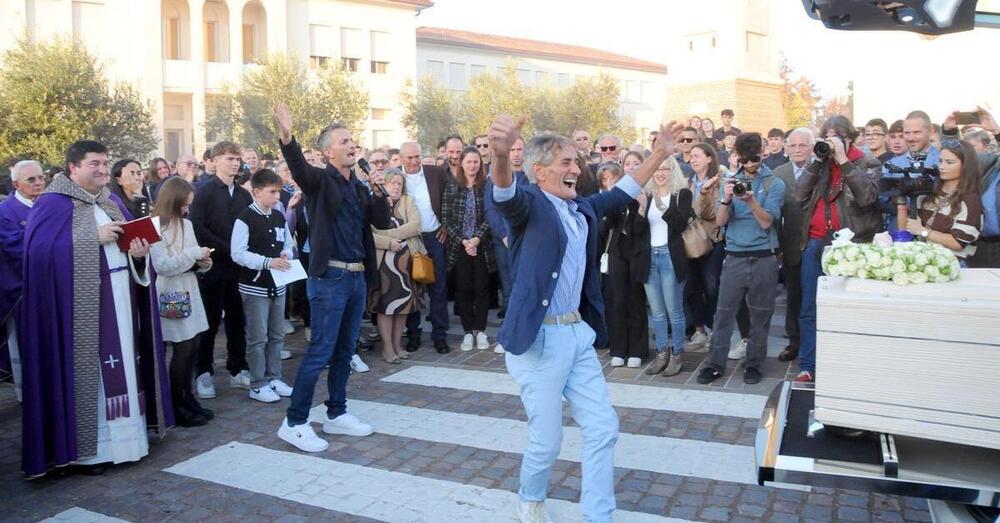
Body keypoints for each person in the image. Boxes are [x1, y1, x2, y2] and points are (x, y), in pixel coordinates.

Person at [488, 113, 682, 523]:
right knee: (547, 441)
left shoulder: (582, 208)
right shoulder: (530, 205)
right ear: (539, 171)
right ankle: (531, 496)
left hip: (576, 333)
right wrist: (501, 154)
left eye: (577, 162)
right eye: (566, 163)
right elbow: (504, 193)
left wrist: (660, 153)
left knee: (603, 428)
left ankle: (599, 515)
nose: (576, 169)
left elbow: (626, 190)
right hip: (537, 342)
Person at [20, 140, 173, 478]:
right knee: (96, 378)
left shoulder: (111, 200)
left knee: (125, 371)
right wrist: (91, 236)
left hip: (121, 298)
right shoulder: (52, 204)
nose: (103, 170)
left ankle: (130, 443)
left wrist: (138, 254)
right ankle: (91, 452)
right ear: (73, 168)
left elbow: (130, 246)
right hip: (81, 312)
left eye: (106, 163)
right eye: (95, 164)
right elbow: (40, 254)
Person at [272, 103, 391, 452]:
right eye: (344, 141)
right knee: (320, 351)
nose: (352, 145)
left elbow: (381, 222)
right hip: (330, 279)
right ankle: (294, 422)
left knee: (344, 350)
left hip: (355, 278)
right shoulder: (320, 181)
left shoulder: (359, 186)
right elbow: (298, 167)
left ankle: (336, 412)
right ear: (328, 152)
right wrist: (288, 136)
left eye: (353, 139)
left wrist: (379, 188)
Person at [795, 116, 881, 383]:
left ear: (850, 138)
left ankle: (846, 364)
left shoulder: (868, 163)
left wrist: (844, 161)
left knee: (846, 308)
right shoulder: (820, 162)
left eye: (837, 137)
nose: (831, 143)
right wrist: (817, 161)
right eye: (827, 137)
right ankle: (808, 365)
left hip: (850, 246)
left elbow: (867, 198)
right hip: (815, 241)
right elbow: (799, 195)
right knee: (809, 306)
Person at [696, 132, 785, 386]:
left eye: (754, 159)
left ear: (763, 153)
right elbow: (721, 222)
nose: (749, 165)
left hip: (763, 258)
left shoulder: (773, 184)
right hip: (734, 257)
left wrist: (752, 200)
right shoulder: (732, 180)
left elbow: (767, 222)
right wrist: (726, 198)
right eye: (744, 160)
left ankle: (754, 363)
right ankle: (715, 364)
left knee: (761, 315)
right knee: (723, 314)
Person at [189, 141, 254, 400]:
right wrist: (227, 249)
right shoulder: (203, 192)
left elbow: (251, 224)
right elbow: (197, 227)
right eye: (229, 158)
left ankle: (238, 368)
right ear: (214, 161)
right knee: (210, 321)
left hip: (239, 269)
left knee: (238, 320)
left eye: (237, 158)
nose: (235, 163)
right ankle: (203, 372)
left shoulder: (243, 195)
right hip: (213, 266)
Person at [149, 177, 214, 427]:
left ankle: (188, 398)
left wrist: (205, 263)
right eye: (184, 205)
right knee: (182, 348)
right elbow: (162, 266)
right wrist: (193, 255)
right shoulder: (156, 227)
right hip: (171, 291)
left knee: (194, 344)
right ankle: (176, 404)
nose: (187, 209)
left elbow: (193, 257)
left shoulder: (186, 225)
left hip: (189, 286)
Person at [230, 168, 297, 404]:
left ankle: (274, 376)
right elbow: (238, 254)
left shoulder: (278, 216)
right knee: (258, 338)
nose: (277, 197)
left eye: (279, 192)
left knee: (277, 334)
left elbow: (288, 242)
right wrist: (268, 262)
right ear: (257, 192)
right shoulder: (244, 218)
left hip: (278, 285)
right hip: (255, 287)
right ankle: (257, 383)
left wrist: (286, 254)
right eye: (272, 192)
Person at [637, 155, 691, 377]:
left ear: (673, 171)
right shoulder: (647, 195)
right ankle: (661, 353)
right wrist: (641, 209)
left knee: (673, 311)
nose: (660, 173)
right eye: (657, 169)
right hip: (650, 256)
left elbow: (679, 225)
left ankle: (677, 354)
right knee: (657, 313)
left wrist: (661, 205)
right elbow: (638, 230)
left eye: (665, 169)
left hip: (670, 256)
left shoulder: (682, 194)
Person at [398, 141, 453, 354]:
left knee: (438, 287)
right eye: (409, 157)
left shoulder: (435, 173)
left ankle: (440, 336)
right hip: (410, 239)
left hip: (434, 237)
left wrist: (446, 225)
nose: (414, 161)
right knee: (412, 288)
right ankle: (413, 335)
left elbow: (449, 198)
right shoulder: (396, 178)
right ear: (401, 158)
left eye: (417, 156)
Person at [0, 160, 45, 402]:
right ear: (16, 183)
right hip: (23, 290)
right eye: (32, 179)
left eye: (41, 177)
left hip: (52, 288)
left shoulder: (51, 205)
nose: (39, 183)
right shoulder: (5, 211)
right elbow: (14, 247)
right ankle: (28, 394)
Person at [444, 146, 495, 351]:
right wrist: (465, 241)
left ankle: (480, 330)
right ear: (461, 164)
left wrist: (476, 239)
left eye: (476, 162)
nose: (472, 165)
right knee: (463, 289)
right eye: (468, 162)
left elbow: (491, 215)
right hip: (460, 247)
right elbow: (447, 219)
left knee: (482, 288)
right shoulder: (452, 187)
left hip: (482, 246)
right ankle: (467, 331)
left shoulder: (487, 186)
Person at [898, 140, 983, 261]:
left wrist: (923, 231)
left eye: (949, 162)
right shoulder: (928, 192)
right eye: (940, 161)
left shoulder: (970, 199)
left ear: (965, 165)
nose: (942, 167)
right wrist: (901, 203)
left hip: (954, 264)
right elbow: (906, 230)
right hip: (923, 260)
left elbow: (958, 243)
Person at [370, 171, 424, 363]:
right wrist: (388, 242)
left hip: (405, 264)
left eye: (399, 184)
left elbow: (415, 226)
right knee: (386, 307)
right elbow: (370, 233)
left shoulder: (408, 202)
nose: (395, 187)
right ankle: (387, 348)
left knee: (403, 306)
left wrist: (390, 234)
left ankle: (397, 345)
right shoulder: (374, 204)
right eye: (391, 183)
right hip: (383, 264)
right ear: (382, 184)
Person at [772, 128, 814, 363]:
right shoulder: (779, 173)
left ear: (811, 147)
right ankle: (794, 343)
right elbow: (774, 213)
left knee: (814, 297)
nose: (797, 150)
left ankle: (815, 343)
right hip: (790, 246)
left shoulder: (821, 171)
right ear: (787, 148)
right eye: (793, 146)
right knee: (794, 297)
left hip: (816, 243)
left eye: (803, 146)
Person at [601, 158, 649, 368]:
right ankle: (619, 350)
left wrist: (641, 208)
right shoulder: (616, 195)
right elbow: (607, 225)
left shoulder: (646, 192)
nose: (632, 167)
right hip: (617, 253)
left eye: (636, 163)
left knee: (636, 300)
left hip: (638, 252)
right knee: (617, 300)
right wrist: (611, 198)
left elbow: (641, 228)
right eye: (627, 163)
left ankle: (637, 350)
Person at [685, 143, 726, 351]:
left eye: (697, 155)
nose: (693, 159)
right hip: (690, 241)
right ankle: (699, 330)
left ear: (710, 158)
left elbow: (709, 214)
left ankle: (713, 330)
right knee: (692, 287)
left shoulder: (719, 182)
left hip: (712, 241)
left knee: (712, 287)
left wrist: (704, 195)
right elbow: (687, 212)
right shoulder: (688, 182)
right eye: (691, 156)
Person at [485, 136, 528, 326]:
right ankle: (512, 328)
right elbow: (490, 209)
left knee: (529, 285)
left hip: (530, 239)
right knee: (509, 286)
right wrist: (503, 235)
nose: (516, 154)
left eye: (519, 149)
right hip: (505, 241)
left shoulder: (533, 176)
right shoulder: (496, 176)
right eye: (512, 150)